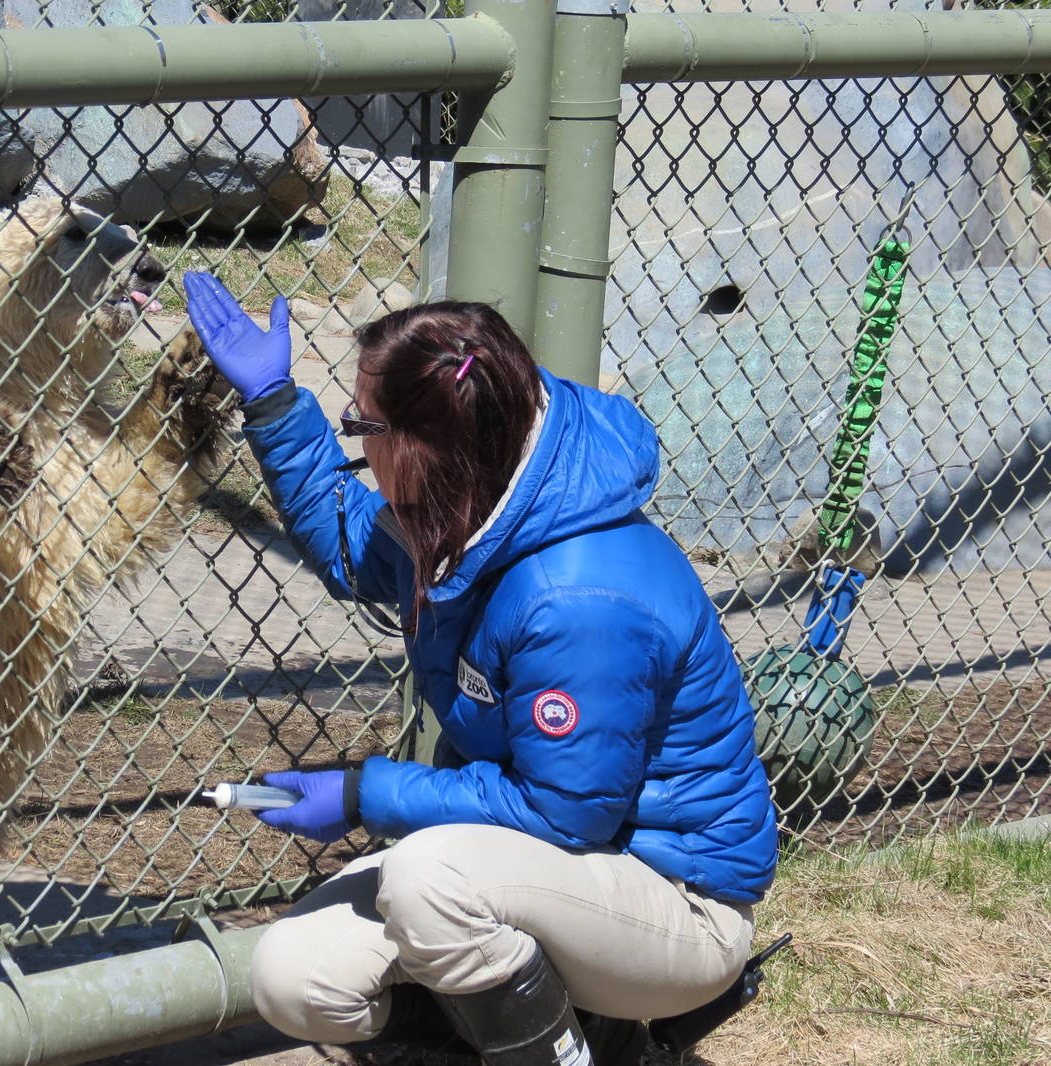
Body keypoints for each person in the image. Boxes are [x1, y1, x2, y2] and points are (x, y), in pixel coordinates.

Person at [181, 271, 779, 1066]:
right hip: (549, 874)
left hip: (675, 900)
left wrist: (365, 793)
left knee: (431, 878)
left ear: (420, 449)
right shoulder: (470, 501)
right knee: (296, 979)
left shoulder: (577, 596)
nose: (354, 436)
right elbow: (350, 536)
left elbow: (566, 815)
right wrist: (276, 402)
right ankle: (578, 1040)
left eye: (362, 424)